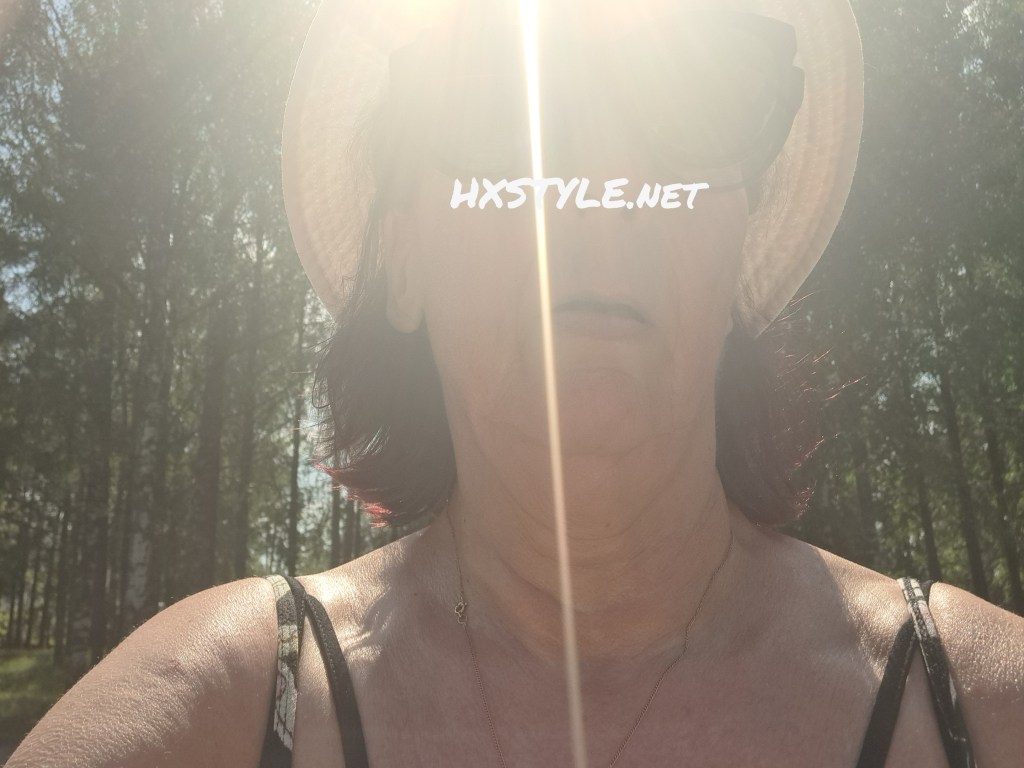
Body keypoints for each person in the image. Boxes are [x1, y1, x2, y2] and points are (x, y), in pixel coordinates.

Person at [9, 0, 1024, 766]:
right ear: (402, 261)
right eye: (499, 106)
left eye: (692, 102)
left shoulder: (981, 704)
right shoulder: (222, 699)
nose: (599, 190)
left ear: (736, 256)